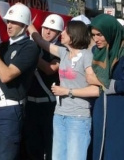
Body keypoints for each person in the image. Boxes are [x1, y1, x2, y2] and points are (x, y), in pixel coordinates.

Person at [28, 20, 99, 160]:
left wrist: (67, 91)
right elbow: (40, 40)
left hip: (78, 118)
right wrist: (26, 17)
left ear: (74, 34)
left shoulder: (86, 56)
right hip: (59, 115)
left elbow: (96, 90)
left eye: (66, 30)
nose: (63, 33)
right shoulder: (63, 52)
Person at [0, 3, 39, 160]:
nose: (9, 25)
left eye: (14, 22)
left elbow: (6, 75)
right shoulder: (2, 45)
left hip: (8, 111)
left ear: (24, 24)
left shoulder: (29, 47)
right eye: (8, 21)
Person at [24, 14, 64, 160]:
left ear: (59, 33)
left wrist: (32, 55)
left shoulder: (60, 48)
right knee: (33, 147)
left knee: (50, 146)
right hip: (30, 103)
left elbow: (50, 69)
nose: (47, 32)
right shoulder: (31, 45)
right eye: (45, 28)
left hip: (49, 105)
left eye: (52, 30)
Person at [87, 14, 124, 160]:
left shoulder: (122, 53)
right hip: (101, 108)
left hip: (119, 110)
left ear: (110, 31)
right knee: (99, 148)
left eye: (100, 34)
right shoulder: (97, 52)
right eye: (93, 35)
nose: (96, 39)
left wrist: (101, 82)